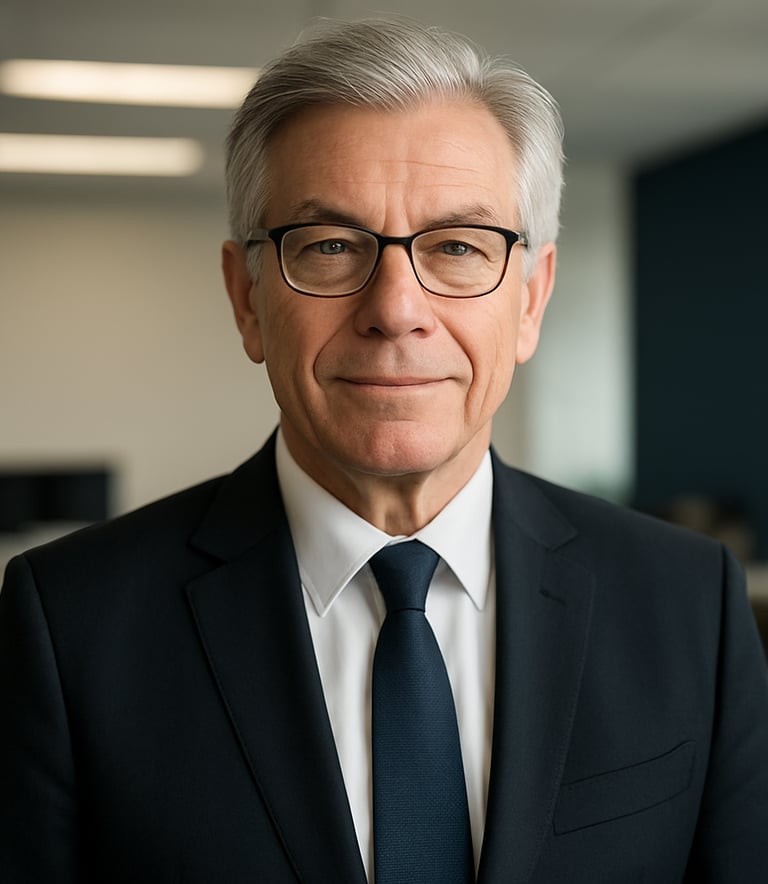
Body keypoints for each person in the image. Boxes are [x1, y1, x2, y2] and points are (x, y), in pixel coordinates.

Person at [1, 18, 767, 884]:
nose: (396, 307)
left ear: (530, 300)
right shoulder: (70, 625)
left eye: (457, 246)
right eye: (330, 247)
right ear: (246, 299)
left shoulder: (687, 602)